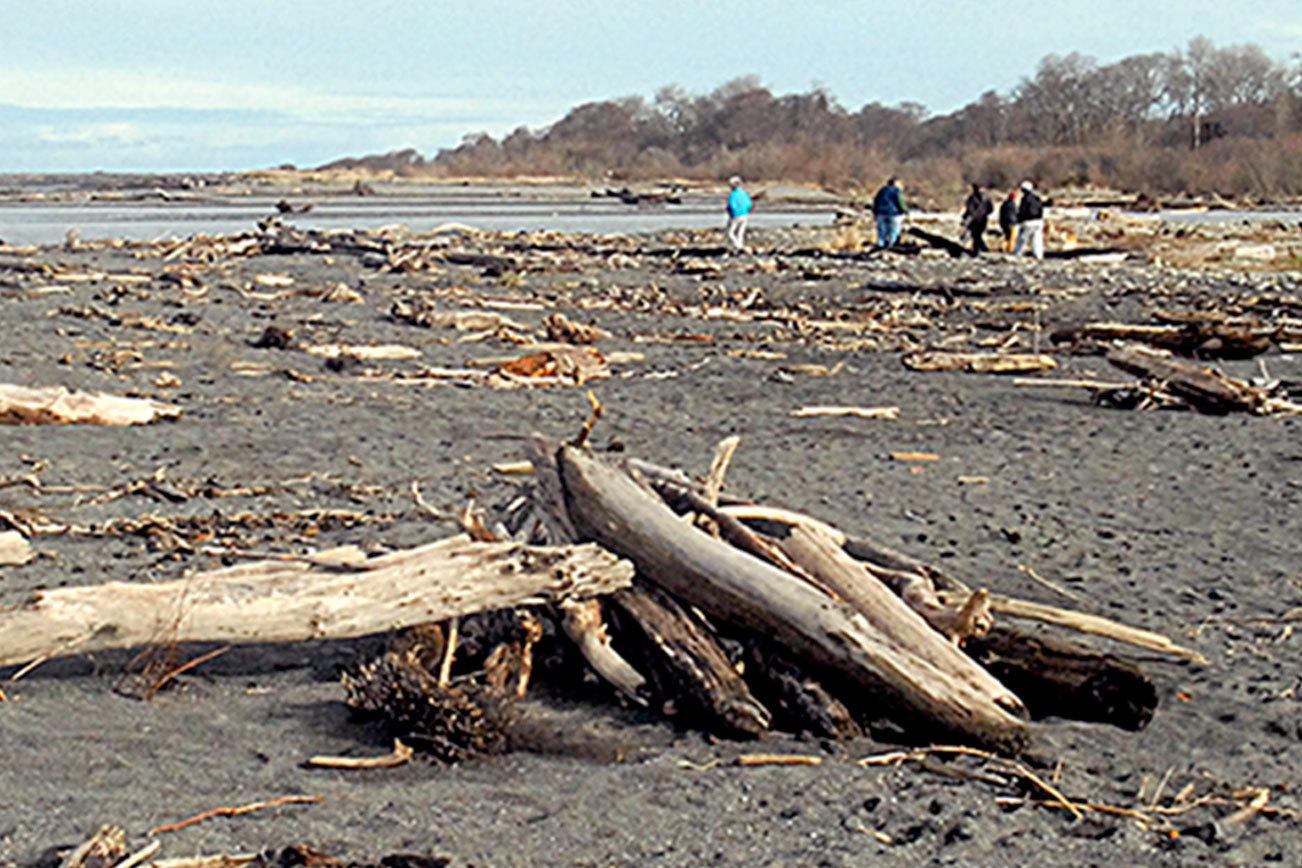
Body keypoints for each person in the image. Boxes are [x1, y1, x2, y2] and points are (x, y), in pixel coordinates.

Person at [1013, 180, 1045, 260]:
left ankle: (1017, 254)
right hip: (1039, 221)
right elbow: (1041, 209)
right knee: (1037, 240)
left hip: (1028, 222)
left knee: (1022, 239)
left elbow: (1023, 211)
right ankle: (1039, 256)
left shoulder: (1025, 199)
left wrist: (1019, 220)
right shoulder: (1037, 198)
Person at [871, 176, 906, 249]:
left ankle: (880, 245)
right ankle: (891, 246)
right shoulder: (897, 191)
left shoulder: (881, 190)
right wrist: (905, 212)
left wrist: (875, 212)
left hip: (880, 213)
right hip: (894, 214)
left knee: (881, 232)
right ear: (895, 183)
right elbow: (901, 203)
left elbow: (876, 201)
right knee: (894, 231)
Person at [961, 183, 993, 254]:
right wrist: (985, 213)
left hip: (975, 220)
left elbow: (969, 209)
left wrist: (966, 217)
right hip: (983, 219)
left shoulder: (971, 198)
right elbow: (991, 209)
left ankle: (980, 249)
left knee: (975, 235)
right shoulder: (987, 198)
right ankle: (979, 250)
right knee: (977, 235)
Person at [725, 176, 752, 253]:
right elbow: (749, 204)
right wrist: (745, 211)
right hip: (745, 215)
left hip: (735, 215)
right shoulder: (744, 194)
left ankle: (738, 246)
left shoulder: (733, 195)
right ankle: (740, 246)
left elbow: (731, 205)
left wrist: (731, 212)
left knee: (730, 233)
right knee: (740, 232)